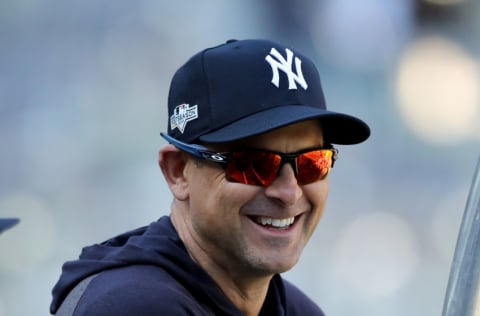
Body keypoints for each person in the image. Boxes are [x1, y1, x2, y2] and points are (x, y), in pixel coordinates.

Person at [50, 39, 370, 316]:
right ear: (178, 172)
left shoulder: (296, 310)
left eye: (312, 162)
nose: (289, 193)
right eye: (253, 164)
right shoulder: (133, 305)